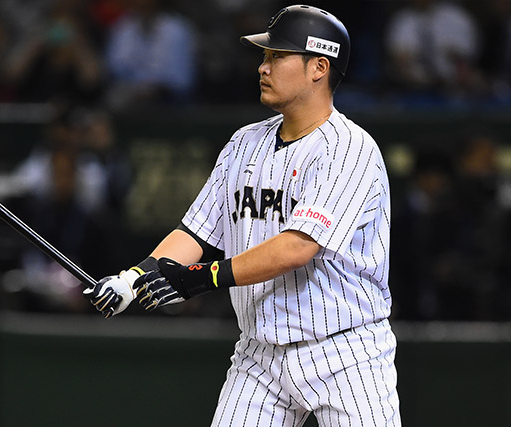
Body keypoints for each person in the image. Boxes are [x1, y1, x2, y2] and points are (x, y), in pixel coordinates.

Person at [85, 5, 400, 426]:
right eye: (264, 57)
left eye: (276, 56)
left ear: (318, 68)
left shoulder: (350, 150)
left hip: (345, 352)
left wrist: (203, 277)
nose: (262, 67)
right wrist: (133, 279)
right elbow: (194, 231)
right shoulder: (244, 142)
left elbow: (297, 247)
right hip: (260, 356)